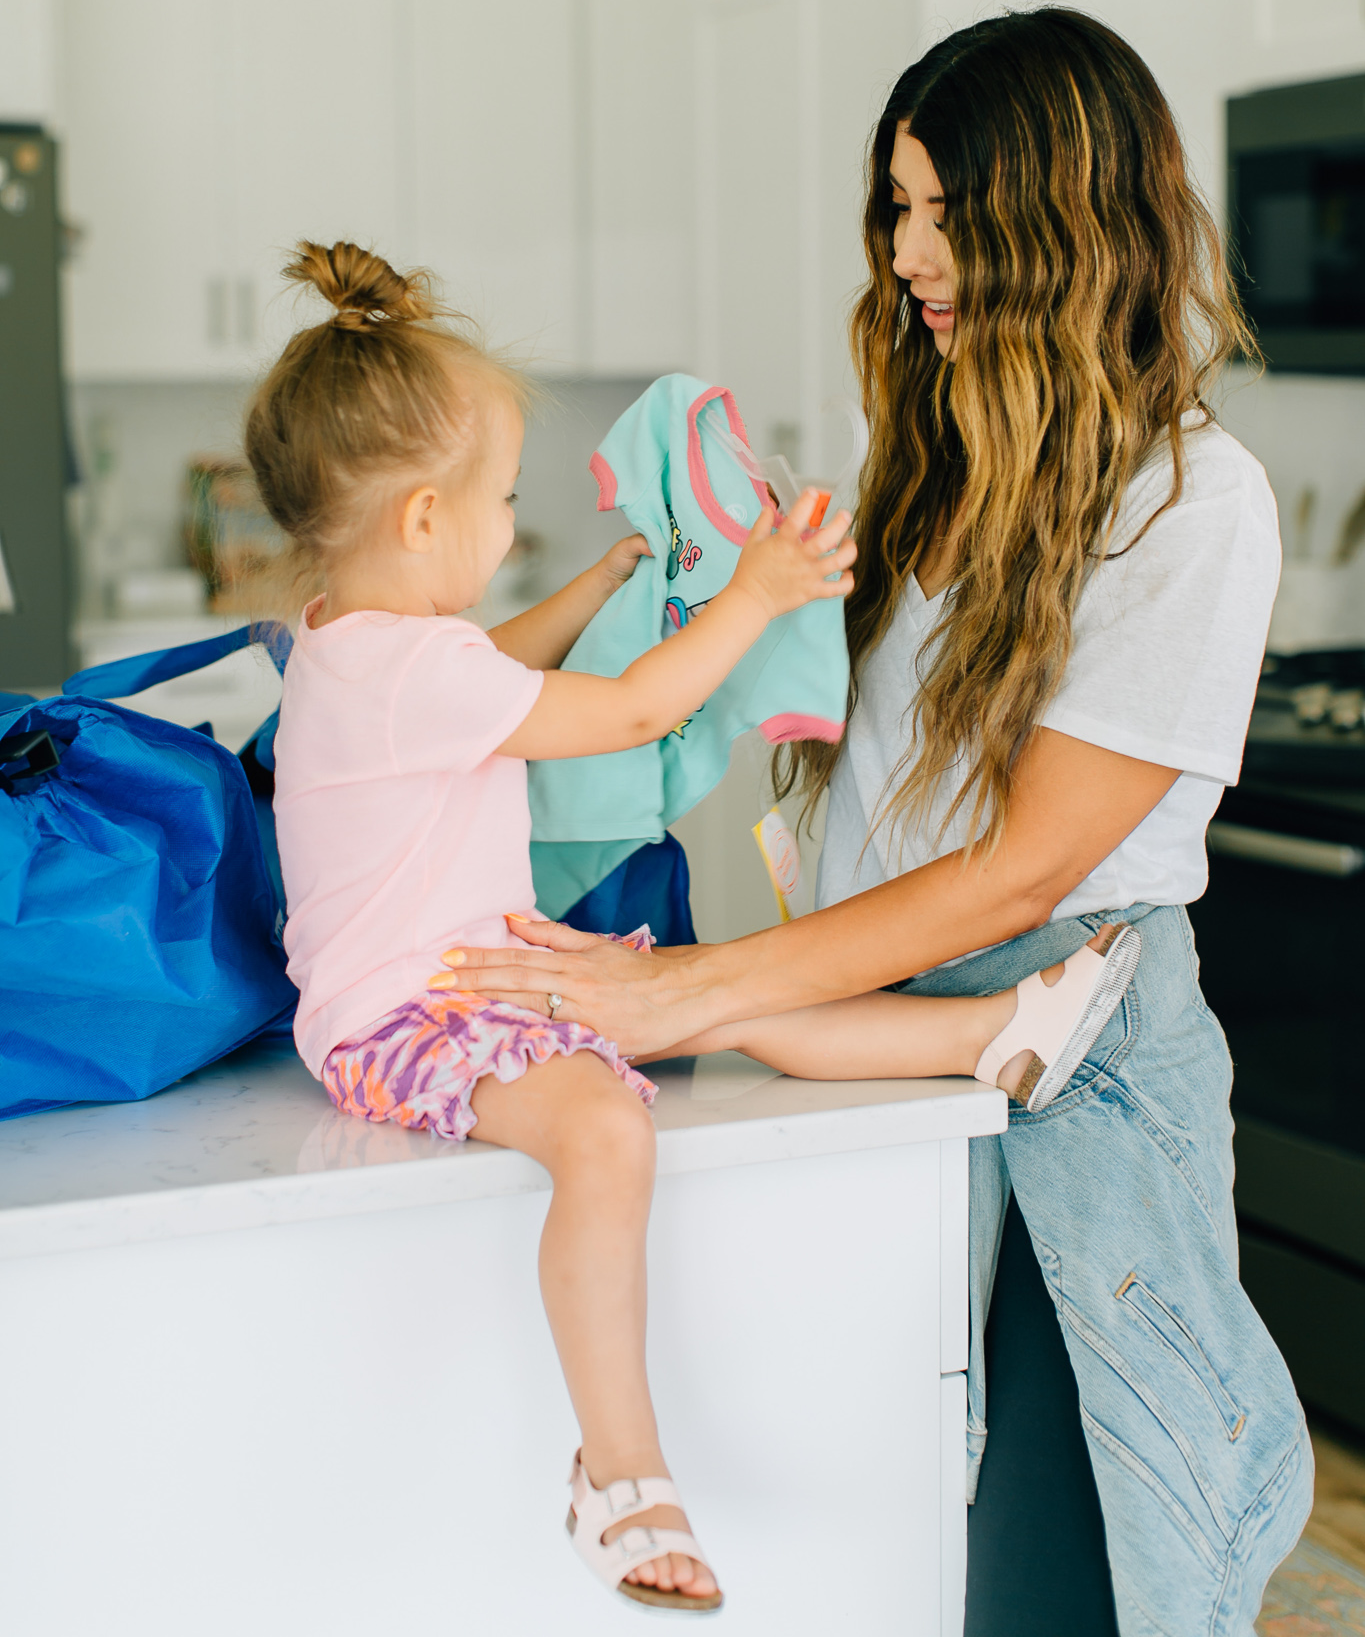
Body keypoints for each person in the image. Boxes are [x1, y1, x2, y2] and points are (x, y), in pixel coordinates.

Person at [440, 10, 1316, 1636]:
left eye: (949, 214)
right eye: (896, 209)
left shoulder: (1189, 500)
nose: (912, 252)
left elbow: (1029, 862)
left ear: (1069, 220)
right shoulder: (935, 446)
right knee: (897, 1534)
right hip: (882, 1036)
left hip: (1076, 1063)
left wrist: (703, 989)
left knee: (1065, 1572)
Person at [247, 238, 1138, 1617]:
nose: (507, 523)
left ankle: (985, 1038)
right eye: (497, 500)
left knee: (702, 993)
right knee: (604, 1131)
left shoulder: (351, 640)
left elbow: (485, 666)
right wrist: (752, 599)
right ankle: (618, 1470)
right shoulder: (406, 666)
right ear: (424, 521)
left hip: (461, 977)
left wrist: (594, 591)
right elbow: (637, 714)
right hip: (404, 1018)